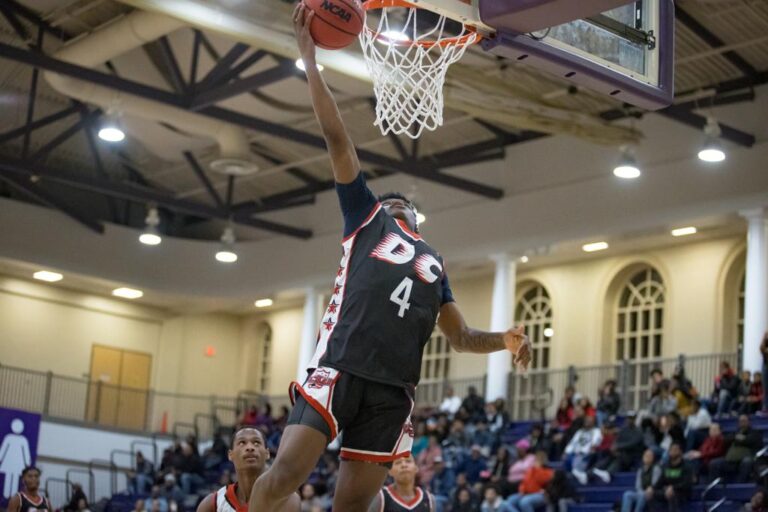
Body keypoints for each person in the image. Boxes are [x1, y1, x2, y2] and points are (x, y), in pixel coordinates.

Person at [249, 7, 532, 511]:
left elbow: (461, 337)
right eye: (391, 200)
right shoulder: (365, 217)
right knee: (283, 477)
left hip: (393, 390)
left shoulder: (435, 263)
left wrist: (504, 340)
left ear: (418, 221)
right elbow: (338, 139)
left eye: (405, 204)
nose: (396, 203)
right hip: (341, 365)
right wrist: (310, 62)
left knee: (353, 507)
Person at [196, 426, 299, 512]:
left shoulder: (286, 498)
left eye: (256, 442)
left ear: (267, 453)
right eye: (242, 443)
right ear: (230, 454)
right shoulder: (213, 503)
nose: (250, 447)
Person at [368, 455, 434, 511]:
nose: (404, 465)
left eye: (408, 461)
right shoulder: (380, 497)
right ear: (390, 471)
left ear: (416, 468)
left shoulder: (429, 499)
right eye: (398, 462)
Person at [708, 414, 762, 482]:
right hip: (731, 460)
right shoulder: (735, 432)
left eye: (744, 421)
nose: (742, 423)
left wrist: (738, 438)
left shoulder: (755, 433)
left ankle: (740, 485)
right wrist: (739, 438)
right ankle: (714, 485)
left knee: (747, 461)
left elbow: (749, 440)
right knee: (714, 463)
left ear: (749, 422)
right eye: (740, 421)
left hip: (745, 458)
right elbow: (726, 439)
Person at [644, 443, 692, 512]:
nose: (672, 452)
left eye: (675, 450)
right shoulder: (666, 466)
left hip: (682, 492)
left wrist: (673, 487)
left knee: (672, 494)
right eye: (671, 450)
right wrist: (652, 488)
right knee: (650, 494)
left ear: (680, 452)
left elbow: (687, 483)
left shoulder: (686, 466)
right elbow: (660, 481)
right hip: (668, 491)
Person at [563, 415, 602, 484]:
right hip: (575, 453)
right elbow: (573, 442)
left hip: (586, 454)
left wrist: (591, 448)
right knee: (566, 458)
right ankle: (576, 474)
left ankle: (579, 473)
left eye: (589, 421)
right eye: (586, 421)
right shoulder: (580, 431)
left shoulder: (596, 431)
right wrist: (566, 452)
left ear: (593, 423)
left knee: (578, 460)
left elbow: (596, 441)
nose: (587, 422)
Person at [762, 332, 768, 413]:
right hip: (766, 366)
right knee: (766, 388)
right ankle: (765, 407)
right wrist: (764, 337)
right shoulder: (765, 346)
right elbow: (762, 349)